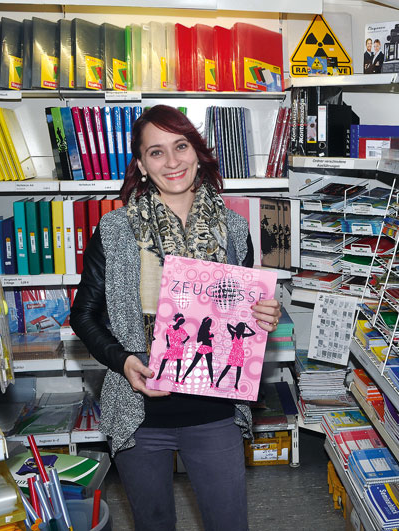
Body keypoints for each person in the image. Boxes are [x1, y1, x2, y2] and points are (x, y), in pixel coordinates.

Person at [70, 104, 282, 531]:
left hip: (215, 410)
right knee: (154, 525)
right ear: (141, 165)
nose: (172, 162)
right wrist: (123, 360)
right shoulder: (115, 230)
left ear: (197, 151)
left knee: (229, 523)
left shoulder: (234, 229)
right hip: (140, 413)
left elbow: (241, 318)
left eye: (180, 146)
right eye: (156, 152)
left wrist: (264, 315)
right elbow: (84, 316)